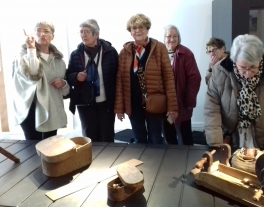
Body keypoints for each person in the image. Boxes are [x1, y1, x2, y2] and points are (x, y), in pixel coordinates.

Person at [204, 34, 264, 152]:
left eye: (253, 67)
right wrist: (216, 142)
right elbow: (212, 109)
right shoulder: (220, 72)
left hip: (263, 141)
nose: (248, 73)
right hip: (231, 139)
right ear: (234, 60)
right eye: (243, 68)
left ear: (260, 59)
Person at [115, 14, 178, 144]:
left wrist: (172, 107)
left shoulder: (159, 48)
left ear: (147, 29)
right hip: (133, 103)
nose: (138, 30)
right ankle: (142, 164)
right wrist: (119, 108)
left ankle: (157, 164)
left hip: (154, 102)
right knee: (139, 139)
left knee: (156, 138)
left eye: (141, 27)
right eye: (134, 28)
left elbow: (168, 78)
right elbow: (120, 82)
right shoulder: (124, 52)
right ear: (130, 32)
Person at [12, 21, 70, 140]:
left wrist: (64, 83)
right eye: (38, 31)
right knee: (33, 149)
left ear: (52, 37)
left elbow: (66, 89)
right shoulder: (23, 55)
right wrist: (31, 49)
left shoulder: (59, 60)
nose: (41, 34)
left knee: (51, 146)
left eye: (46, 31)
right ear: (33, 34)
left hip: (52, 109)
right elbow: (33, 74)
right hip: (31, 108)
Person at [66, 19, 118, 142]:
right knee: (90, 136)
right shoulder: (75, 54)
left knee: (107, 135)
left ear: (96, 34)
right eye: (81, 32)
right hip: (85, 103)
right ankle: (91, 160)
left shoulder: (110, 52)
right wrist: (76, 76)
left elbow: (118, 76)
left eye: (87, 32)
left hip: (106, 102)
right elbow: (68, 76)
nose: (83, 35)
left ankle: (109, 160)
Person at [162, 25, 201, 145]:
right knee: (168, 135)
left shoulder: (186, 54)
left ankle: (188, 162)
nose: (172, 39)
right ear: (164, 38)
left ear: (179, 38)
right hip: (164, 104)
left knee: (185, 137)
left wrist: (189, 101)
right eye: (169, 36)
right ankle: (171, 160)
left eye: (175, 36)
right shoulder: (159, 53)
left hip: (181, 103)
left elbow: (195, 78)